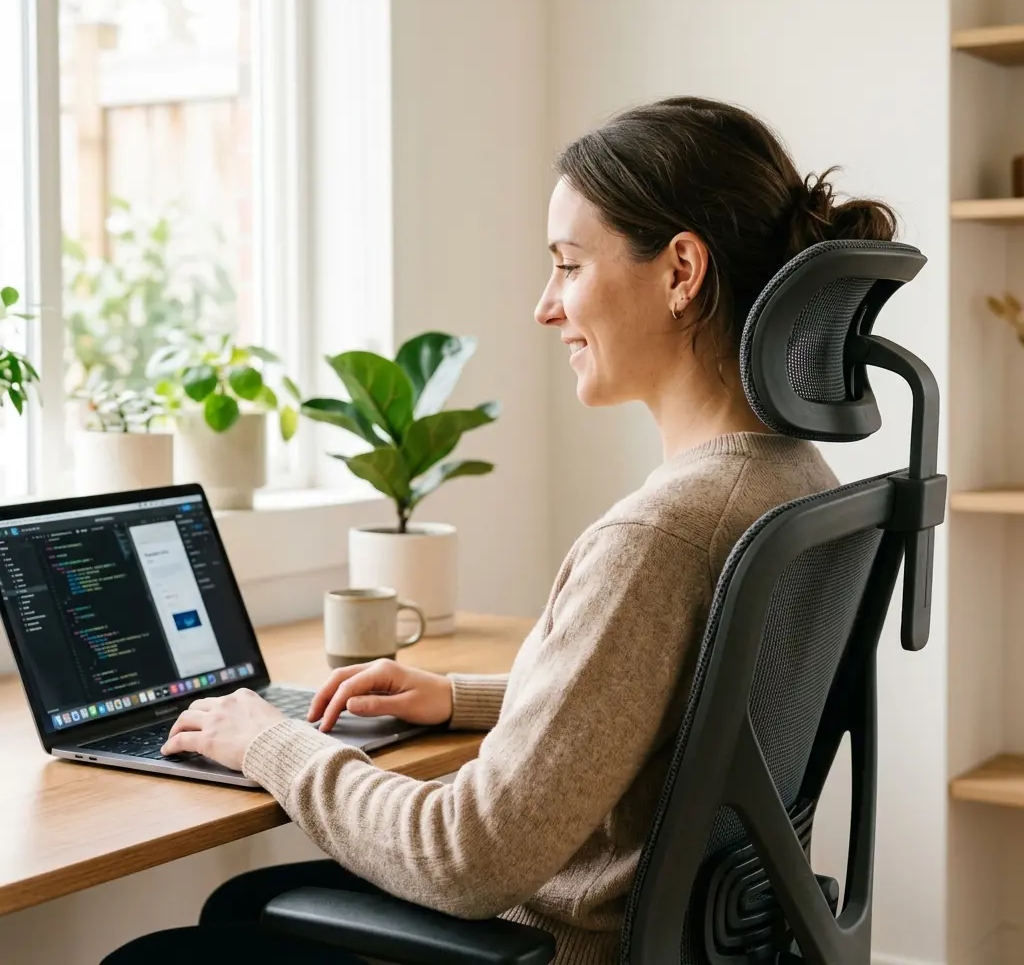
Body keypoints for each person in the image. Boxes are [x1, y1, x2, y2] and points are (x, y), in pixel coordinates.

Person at [102, 97, 897, 965]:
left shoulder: (660, 535)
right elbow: (685, 706)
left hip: (561, 944)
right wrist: (465, 699)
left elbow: (467, 857)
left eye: (567, 265)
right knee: (246, 902)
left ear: (680, 272)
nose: (545, 308)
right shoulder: (790, 478)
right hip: (686, 939)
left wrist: (269, 741)